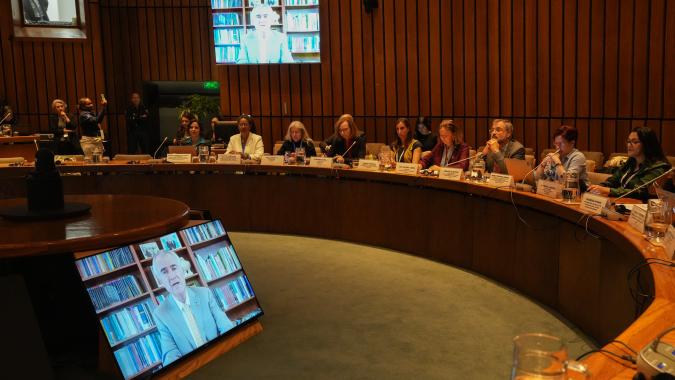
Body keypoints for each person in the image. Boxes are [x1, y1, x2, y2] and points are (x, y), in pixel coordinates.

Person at [152, 251, 235, 366]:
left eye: (174, 268)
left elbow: (226, 326)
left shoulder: (205, 294)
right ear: (159, 280)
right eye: (164, 272)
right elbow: (170, 353)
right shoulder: (160, 314)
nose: (171, 276)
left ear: (182, 270)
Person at [588, 126, 671, 201]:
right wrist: (598, 187)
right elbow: (612, 180)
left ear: (647, 144)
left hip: (641, 210)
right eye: (628, 141)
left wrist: (609, 190)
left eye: (635, 142)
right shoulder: (630, 163)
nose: (629, 145)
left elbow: (639, 191)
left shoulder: (658, 168)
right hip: (621, 203)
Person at [534, 125, 590, 191]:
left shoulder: (578, 157)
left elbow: (568, 182)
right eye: (556, 143)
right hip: (556, 192)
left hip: (576, 195)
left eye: (561, 143)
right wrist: (543, 164)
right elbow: (536, 179)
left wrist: (557, 162)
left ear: (572, 142)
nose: (557, 147)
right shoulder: (556, 155)